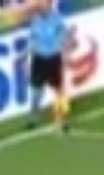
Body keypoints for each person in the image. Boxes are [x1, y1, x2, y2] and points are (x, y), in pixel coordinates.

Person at [23, 0, 71, 132]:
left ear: (50, 5)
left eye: (44, 4)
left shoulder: (57, 20)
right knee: (36, 92)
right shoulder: (35, 20)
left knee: (58, 90)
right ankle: (33, 118)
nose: (41, 6)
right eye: (40, 4)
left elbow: (64, 38)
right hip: (39, 60)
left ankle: (62, 119)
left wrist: (66, 54)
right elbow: (32, 39)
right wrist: (25, 54)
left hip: (53, 59)